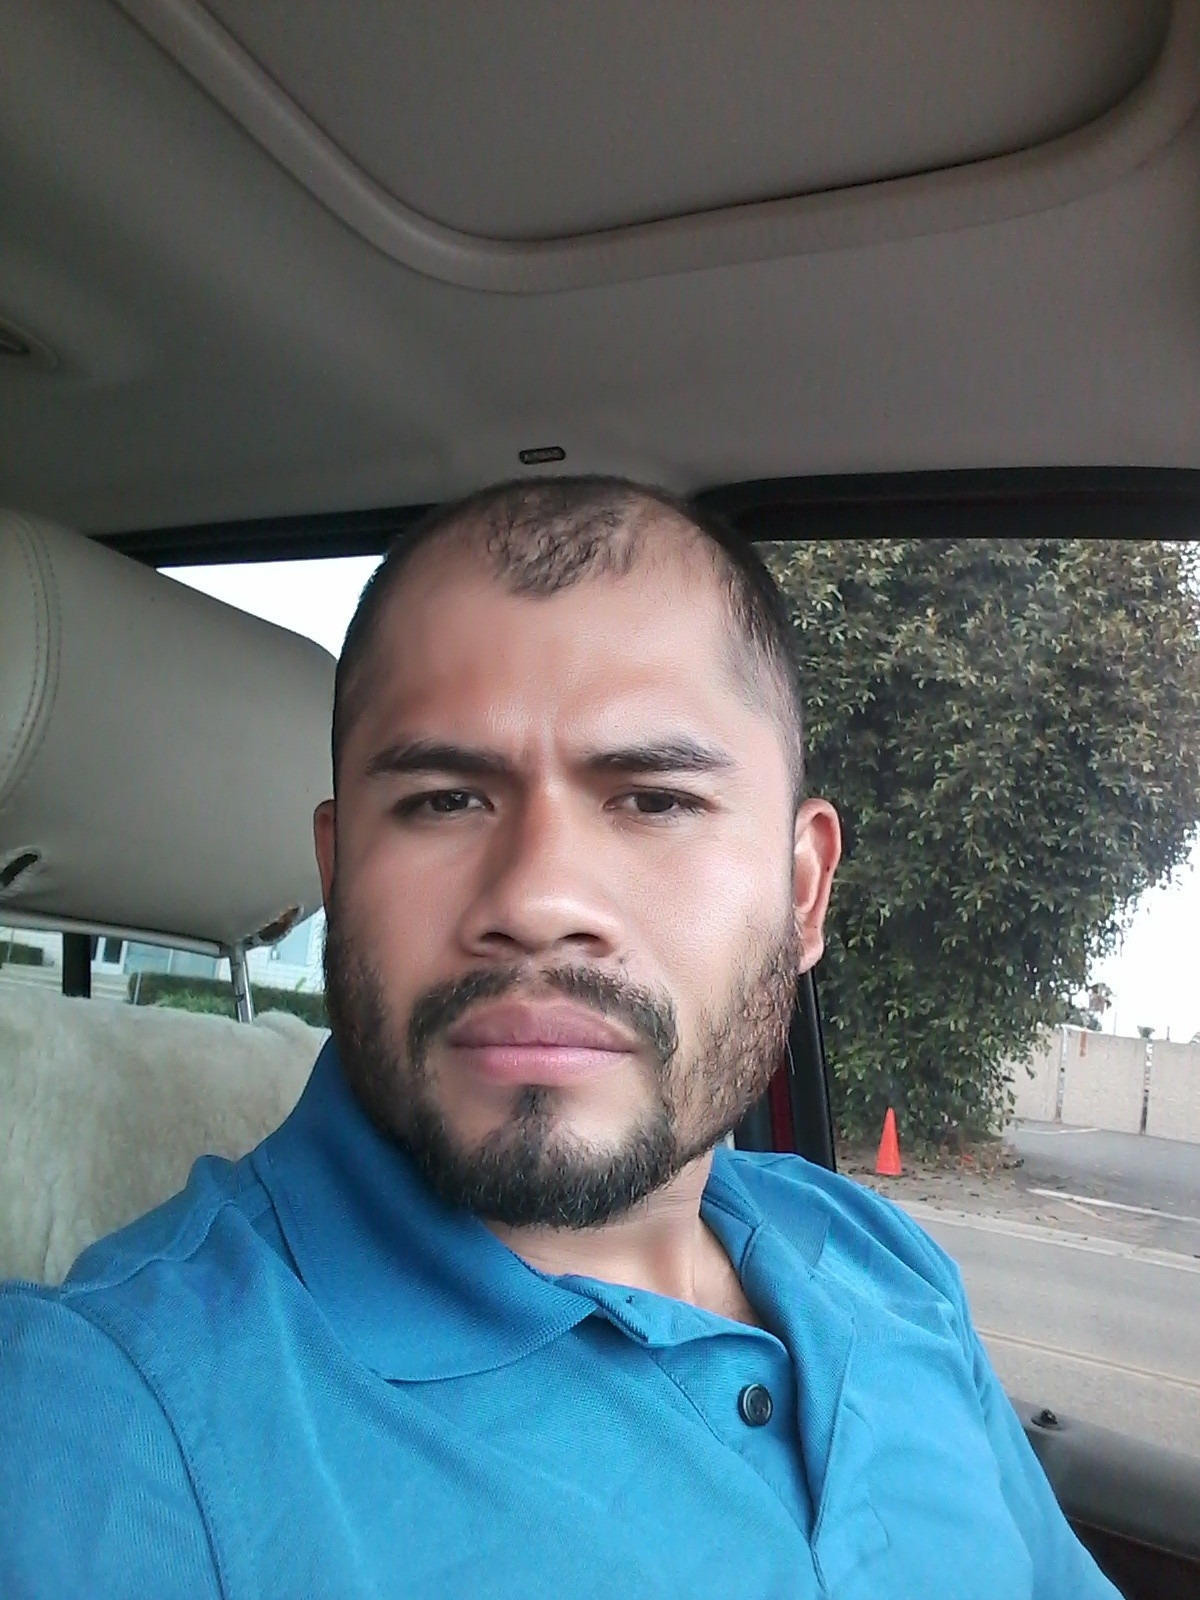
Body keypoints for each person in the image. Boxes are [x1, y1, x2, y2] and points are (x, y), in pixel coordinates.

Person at [0, 478, 1116, 1598]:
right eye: (443, 799)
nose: (536, 899)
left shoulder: (879, 1255)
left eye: (655, 799)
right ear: (339, 878)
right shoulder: (101, 1420)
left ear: (802, 891)